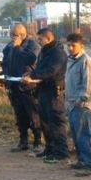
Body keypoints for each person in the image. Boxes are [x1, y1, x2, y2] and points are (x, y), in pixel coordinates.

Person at [22, 28, 69, 162]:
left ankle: (61, 152)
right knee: (45, 122)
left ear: (48, 38)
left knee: (56, 122)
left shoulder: (58, 53)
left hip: (55, 92)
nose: (39, 42)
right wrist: (30, 74)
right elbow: (39, 68)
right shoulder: (44, 52)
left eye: (40, 39)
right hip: (43, 90)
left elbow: (51, 71)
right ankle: (50, 149)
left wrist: (33, 75)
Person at [2, 23, 42, 152]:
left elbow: (31, 60)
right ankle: (23, 141)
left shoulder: (33, 45)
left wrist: (18, 47)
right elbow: (5, 62)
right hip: (13, 85)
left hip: (28, 86)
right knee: (20, 115)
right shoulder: (9, 47)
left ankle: (37, 141)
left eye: (14, 35)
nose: (12, 37)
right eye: (11, 35)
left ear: (22, 35)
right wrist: (6, 75)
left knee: (33, 115)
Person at [64, 33, 91, 173]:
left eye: (73, 45)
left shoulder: (86, 61)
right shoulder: (71, 60)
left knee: (84, 135)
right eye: (68, 45)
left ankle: (89, 164)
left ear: (81, 45)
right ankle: (82, 161)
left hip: (82, 106)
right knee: (76, 135)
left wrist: (80, 100)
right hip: (71, 104)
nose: (70, 48)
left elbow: (88, 86)